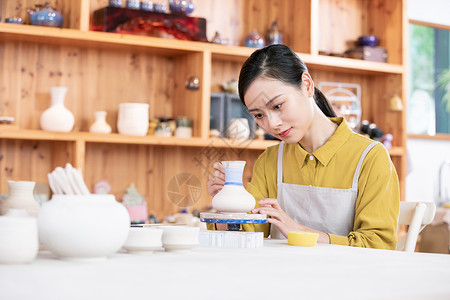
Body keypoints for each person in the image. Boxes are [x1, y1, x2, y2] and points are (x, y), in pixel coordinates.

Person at [207, 44, 399, 249]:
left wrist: (301, 232)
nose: (272, 124)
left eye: (278, 106)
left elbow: (379, 246)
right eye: (259, 115)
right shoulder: (271, 160)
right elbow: (247, 236)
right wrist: (228, 203)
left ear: (306, 85)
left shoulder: (370, 158)